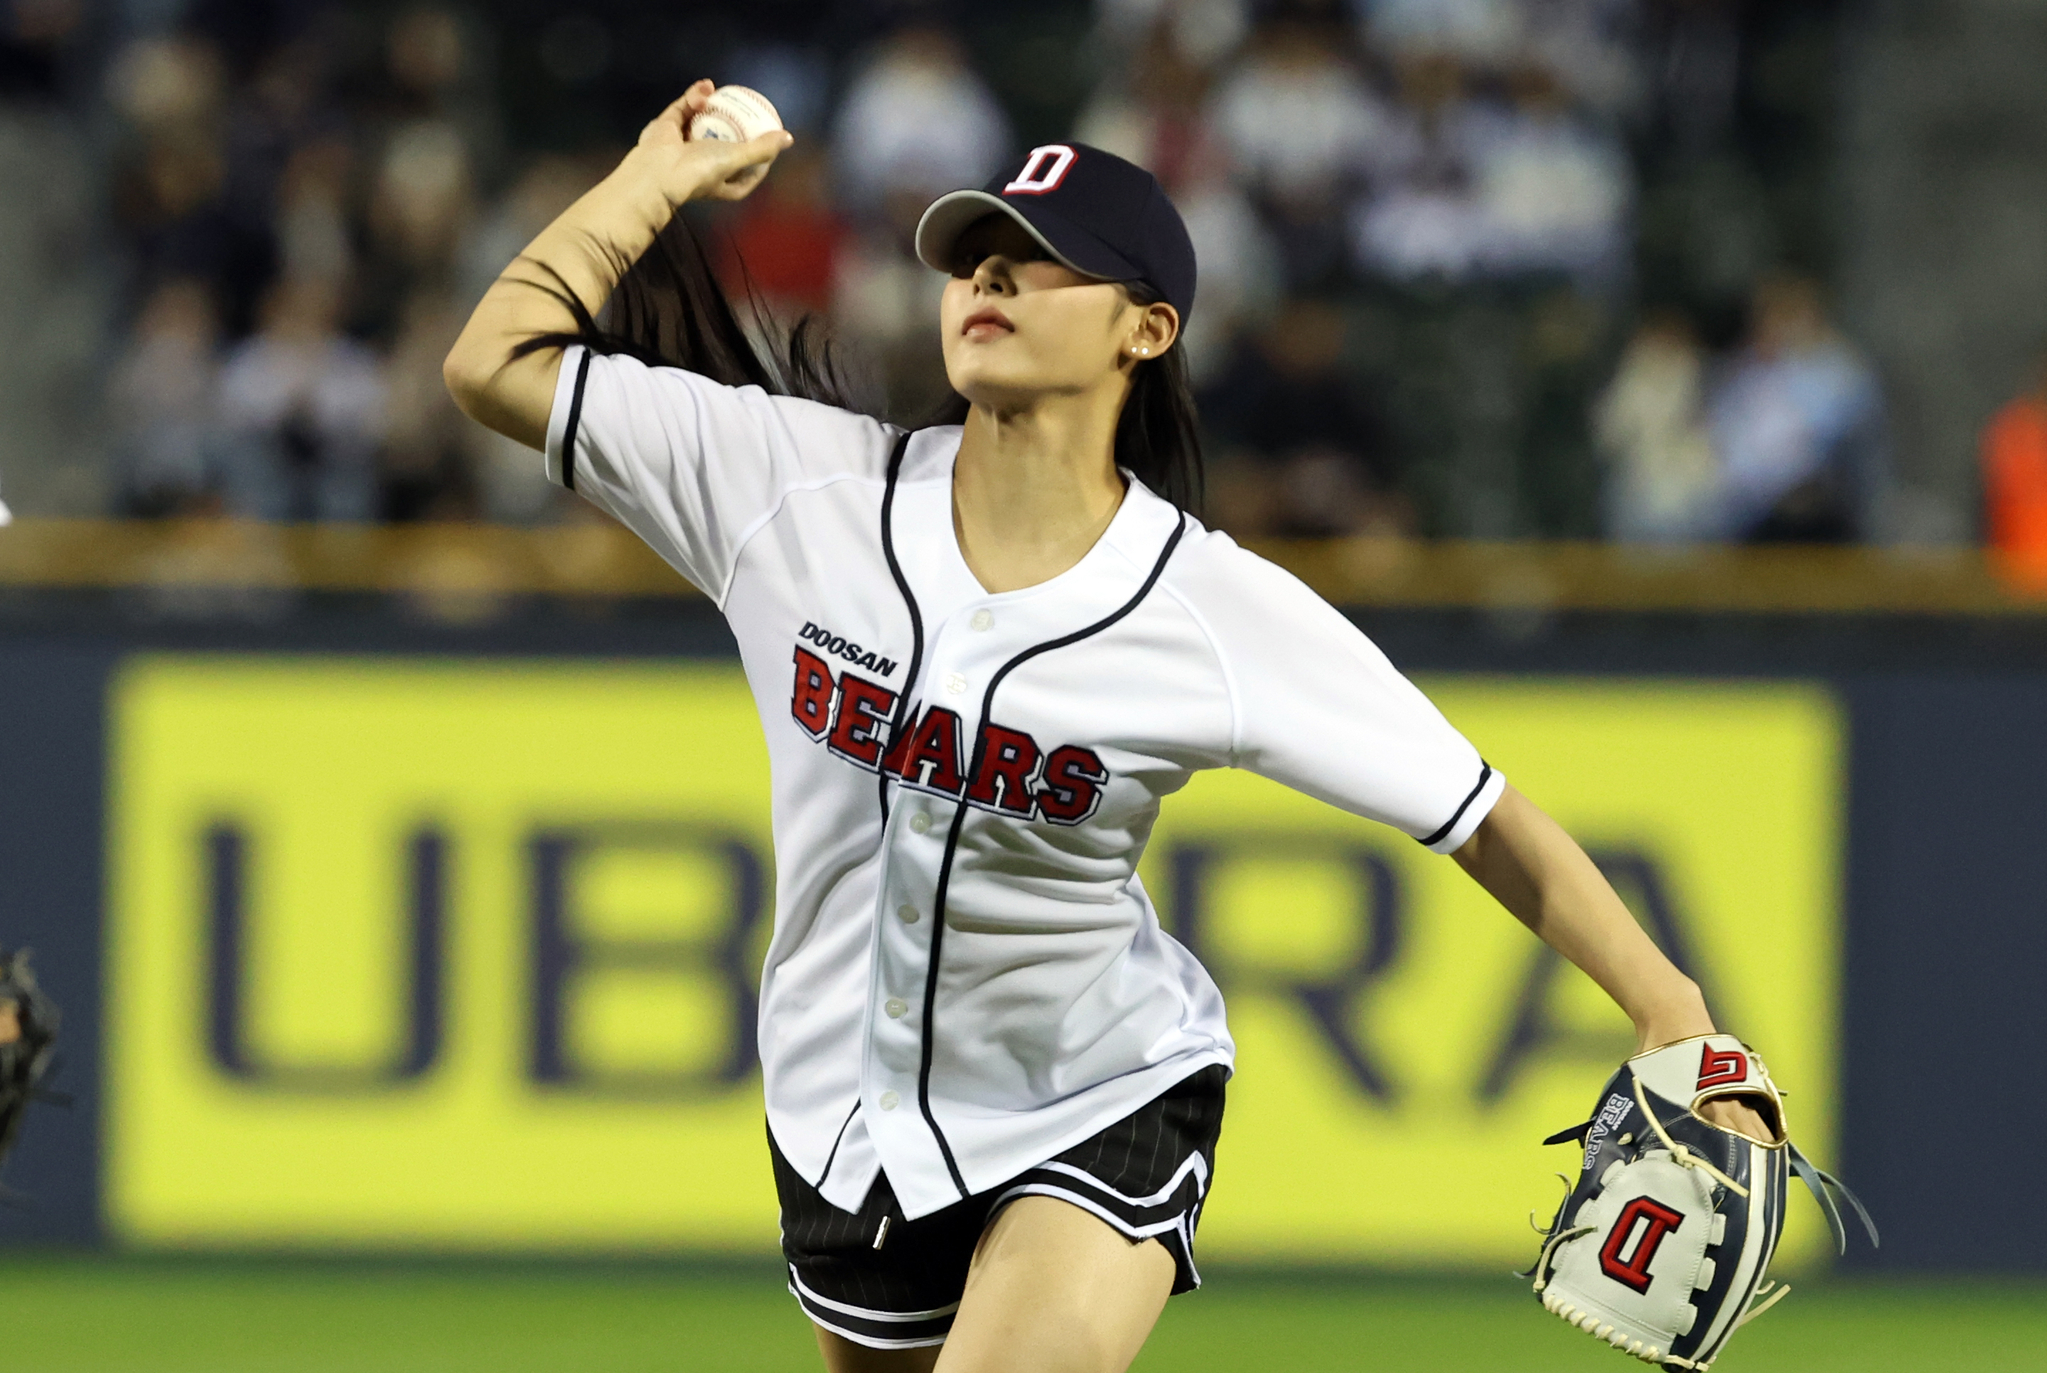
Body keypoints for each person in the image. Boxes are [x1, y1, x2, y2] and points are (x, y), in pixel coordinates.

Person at [443, 81, 1769, 1373]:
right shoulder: (793, 492)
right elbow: (492, 362)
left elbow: (1480, 814)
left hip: (1099, 1094)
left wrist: (1673, 1011)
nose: (991, 282)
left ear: (1146, 328)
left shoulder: (1210, 606)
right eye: (976, 258)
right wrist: (651, 182)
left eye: (1040, 265)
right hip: (838, 1121)